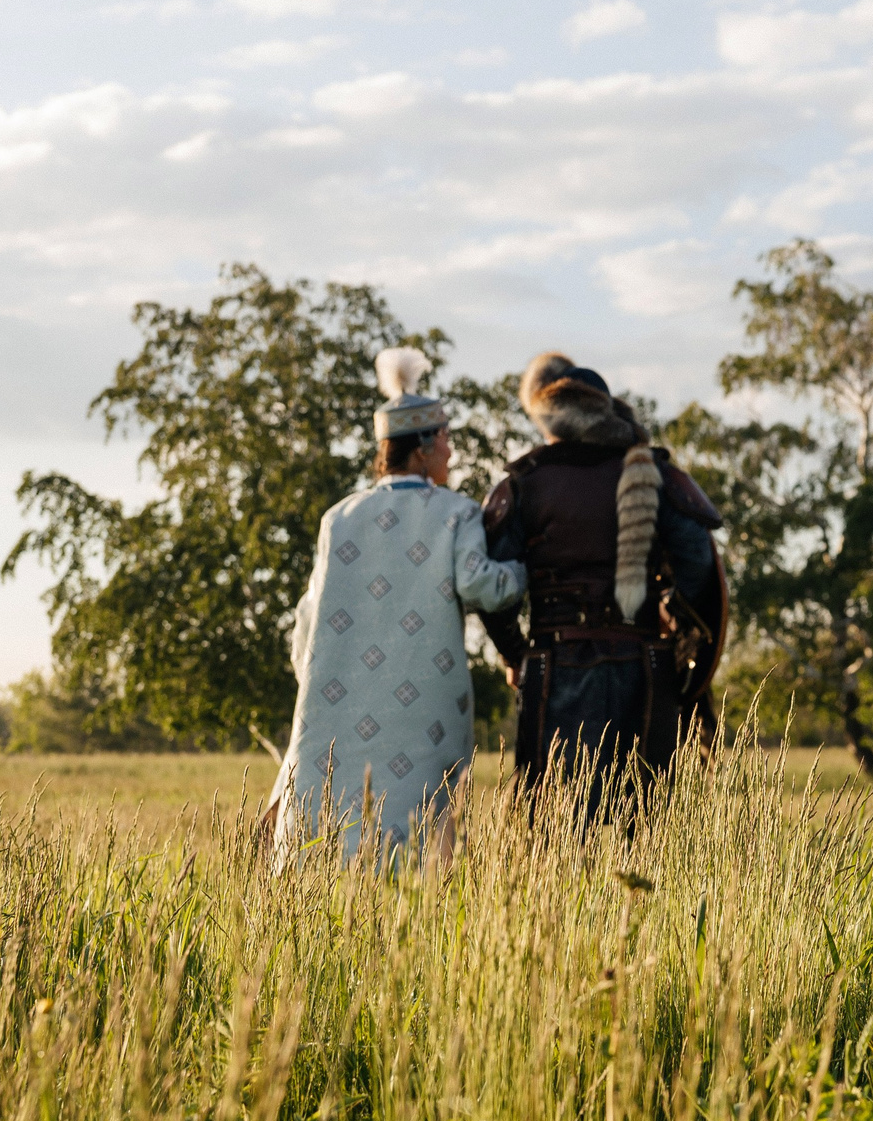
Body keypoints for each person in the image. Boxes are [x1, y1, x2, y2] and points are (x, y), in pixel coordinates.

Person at [259, 347, 526, 870]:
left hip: (336, 700)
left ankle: (324, 894)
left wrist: (324, 684)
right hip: (427, 699)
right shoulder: (455, 513)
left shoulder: (339, 517)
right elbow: (483, 587)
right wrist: (523, 568)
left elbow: (306, 624)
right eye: (445, 439)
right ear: (423, 448)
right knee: (419, 819)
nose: (451, 451)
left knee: (331, 810)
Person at [476, 352, 726, 817]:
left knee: (554, 824)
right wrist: (675, 618)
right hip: (645, 665)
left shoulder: (525, 482)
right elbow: (698, 564)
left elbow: (493, 590)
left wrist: (513, 654)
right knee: (644, 823)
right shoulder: (656, 474)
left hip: (554, 667)